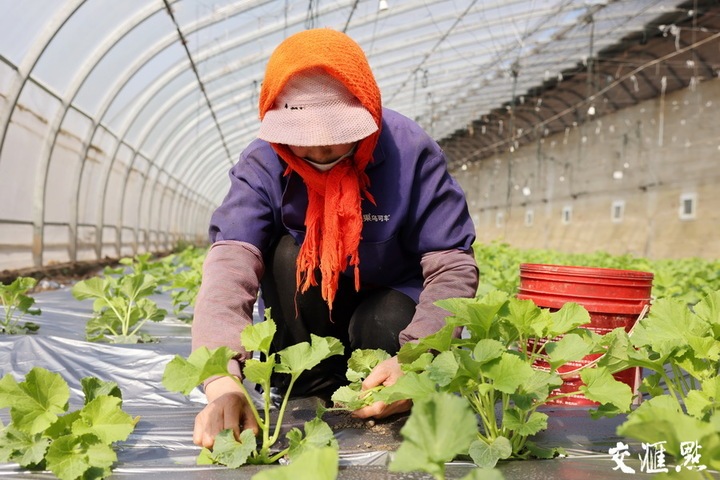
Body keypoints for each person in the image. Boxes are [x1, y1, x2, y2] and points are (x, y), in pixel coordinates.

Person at [190, 28, 479, 448]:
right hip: (308, 318)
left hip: (389, 306)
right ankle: (307, 389)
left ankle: (382, 389)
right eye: (303, 139)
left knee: (384, 320)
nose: (320, 150)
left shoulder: (410, 151)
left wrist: (418, 361)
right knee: (287, 255)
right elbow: (230, 263)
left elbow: (452, 263)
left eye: (337, 133)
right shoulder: (263, 161)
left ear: (367, 110)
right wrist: (222, 383)